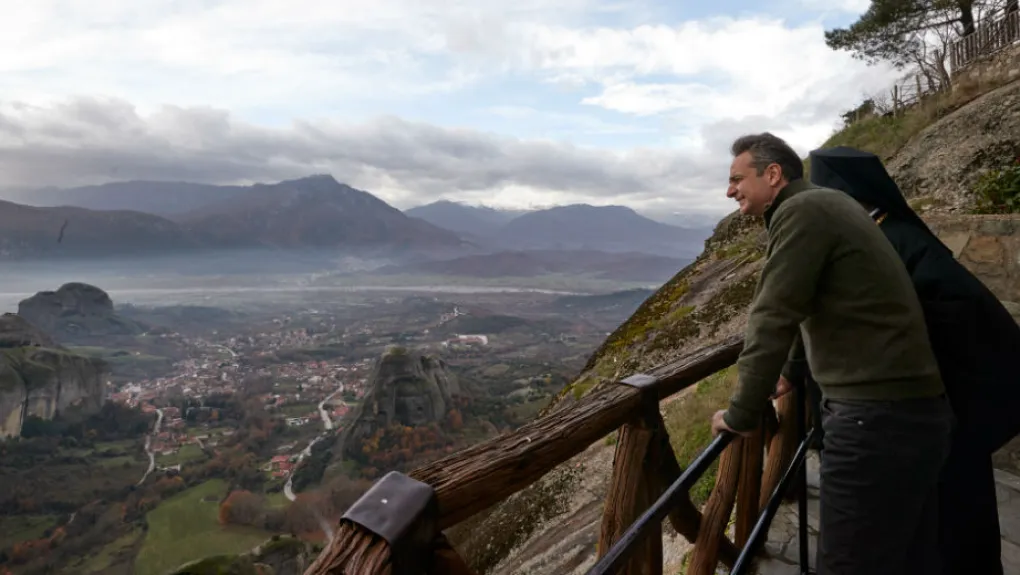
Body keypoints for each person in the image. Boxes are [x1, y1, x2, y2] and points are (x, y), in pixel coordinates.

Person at [709, 132, 954, 575]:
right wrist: (789, 372)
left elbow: (773, 314)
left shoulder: (802, 211)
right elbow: (812, 304)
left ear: (772, 174)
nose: (730, 191)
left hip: (873, 421)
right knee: (908, 557)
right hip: (909, 413)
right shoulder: (828, 204)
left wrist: (742, 413)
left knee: (847, 563)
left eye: (736, 179)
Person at [809, 145, 1020, 575]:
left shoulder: (891, 240)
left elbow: (957, 309)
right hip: (929, 409)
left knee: (946, 528)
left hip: (935, 409)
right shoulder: (890, 235)